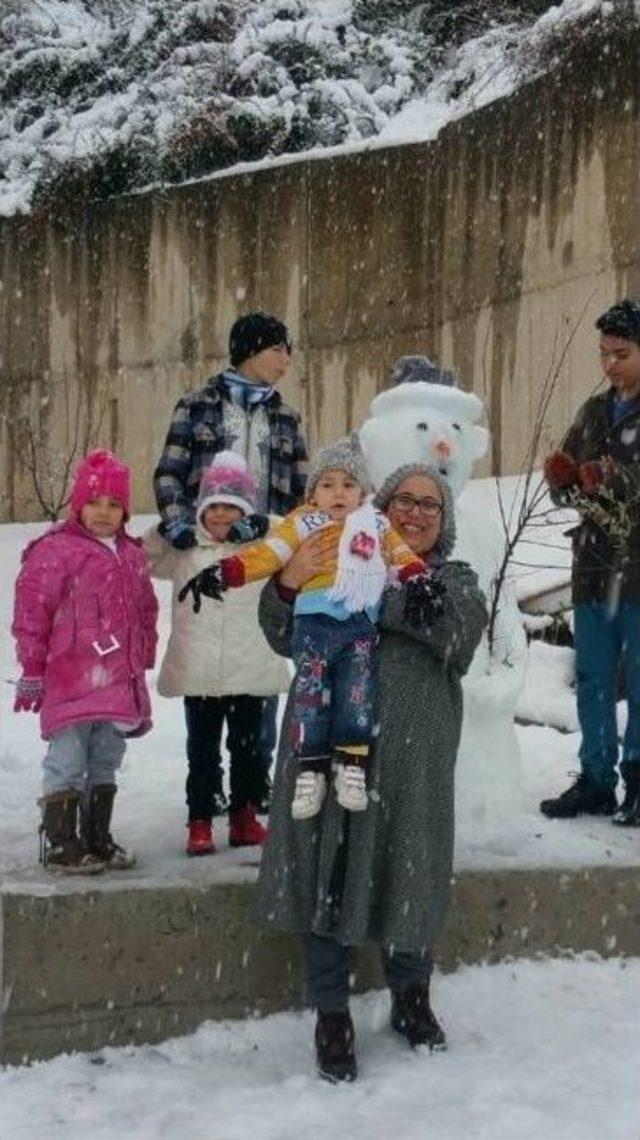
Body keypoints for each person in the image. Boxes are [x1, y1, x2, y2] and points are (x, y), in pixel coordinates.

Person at [253, 464, 486, 1081]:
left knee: (410, 868)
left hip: (414, 764)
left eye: (430, 505)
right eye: (403, 500)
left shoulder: (453, 578)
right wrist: (288, 585)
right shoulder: (326, 555)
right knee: (324, 867)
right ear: (380, 509)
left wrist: (364, 586)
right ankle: (332, 1013)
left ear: (444, 521)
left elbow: (456, 632)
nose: (415, 512)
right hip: (324, 752)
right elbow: (280, 633)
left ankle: (411, 996)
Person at [178, 440, 436, 821]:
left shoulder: (376, 523)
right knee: (310, 694)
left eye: (348, 484)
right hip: (314, 623)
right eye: (327, 484)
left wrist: (421, 581)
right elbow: (269, 555)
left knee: (357, 692)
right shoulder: (304, 521)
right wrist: (227, 572)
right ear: (313, 492)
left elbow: (401, 556)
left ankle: (352, 764)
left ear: (363, 492)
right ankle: (310, 769)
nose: (338, 493)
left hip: (360, 625)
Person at [153, 311, 308, 809]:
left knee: (259, 660)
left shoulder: (286, 417)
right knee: (207, 664)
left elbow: (300, 493)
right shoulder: (197, 405)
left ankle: (253, 781)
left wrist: (279, 535)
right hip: (208, 552)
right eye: (278, 348)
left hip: (265, 555)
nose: (286, 360)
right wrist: (181, 526)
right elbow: (169, 473)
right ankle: (207, 784)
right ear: (250, 349)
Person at [12, 450, 159, 874]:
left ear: (125, 510)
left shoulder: (131, 554)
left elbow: (145, 610)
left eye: (114, 504)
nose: (103, 512)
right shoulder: (56, 551)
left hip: (118, 681)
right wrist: (33, 670)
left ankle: (96, 836)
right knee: (68, 759)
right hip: (71, 677)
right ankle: (62, 842)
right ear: (78, 504)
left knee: (105, 757)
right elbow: (32, 614)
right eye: (94, 502)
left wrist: (143, 654)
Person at [145, 451, 291, 855]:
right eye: (214, 506)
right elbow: (143, 555)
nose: (222, 514)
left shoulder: (262, 547)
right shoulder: (186, 548)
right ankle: (200, 822)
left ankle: (244, 819)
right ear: (201, 510)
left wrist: (265, 523)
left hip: (250, 670)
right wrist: (168, 527)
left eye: (232, 506)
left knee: (248, 753)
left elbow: (297, 537)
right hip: (200, 674)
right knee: (202, 754)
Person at [541, 298, 640, 827]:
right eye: (604, 354)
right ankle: (596, 779)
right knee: (594, 678)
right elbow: (570, 485)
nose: (610, 365)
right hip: (595, 568)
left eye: (621, 354)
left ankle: (638, 783)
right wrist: (562, 479)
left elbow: (619, 484)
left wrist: (611, 477)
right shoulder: (595, 412)